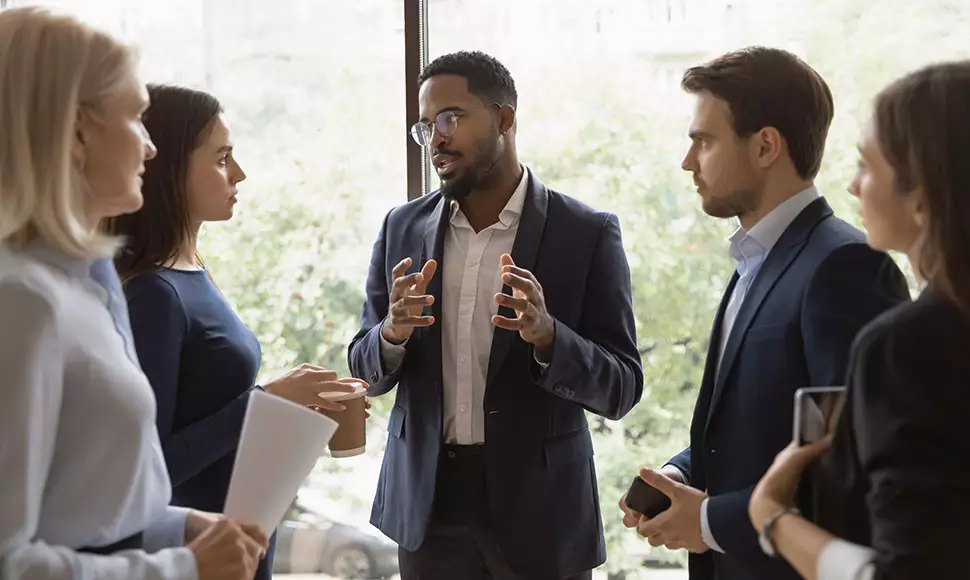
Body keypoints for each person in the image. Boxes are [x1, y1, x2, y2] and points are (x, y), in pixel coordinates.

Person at [349, 50, 643, 580]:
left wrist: (551, 339)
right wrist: (391, 334)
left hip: (543, 514)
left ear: (505, 118)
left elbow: (622, 388)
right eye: (424, 126)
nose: (435, 138)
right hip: (427, 510)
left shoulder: (587, 233)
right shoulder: (400, 228)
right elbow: (361, 370)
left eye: (450, 118)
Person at [618, 46, 910, 580]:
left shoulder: (846, 267)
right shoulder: (752, 261)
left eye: (703, 141)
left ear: (766, 145)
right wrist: (677, 474)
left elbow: (847, 461)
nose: (688, 162)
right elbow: (754, 428)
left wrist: (706, 521)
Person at [0, 7, 267, 580]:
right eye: (137, 119)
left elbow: (83, 511)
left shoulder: (93, 284)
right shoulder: (22, 300)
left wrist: (177, 526)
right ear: (77, 130)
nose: (150, 148)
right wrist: (181, 566)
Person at [103, 84, 362, 580]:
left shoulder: (192, 272)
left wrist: (296, 409)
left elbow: (214, 413)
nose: (239, 173)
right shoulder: (154, 295)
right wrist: (268, 402)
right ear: (170, 165)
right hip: (196, 555)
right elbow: (150, 470)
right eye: (222, 158)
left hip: (237, 543)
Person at [749, 60, 970, 580]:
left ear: (922, 197)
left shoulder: (910, 346)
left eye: (867, 165)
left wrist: (772, 517)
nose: (851, 186)